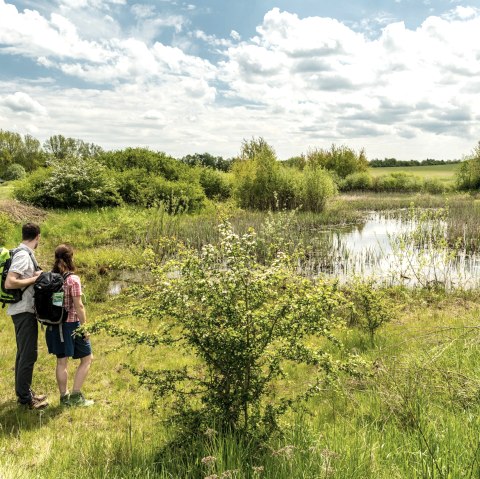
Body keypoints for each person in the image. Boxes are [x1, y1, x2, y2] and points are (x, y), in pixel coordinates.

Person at [45, 244, 94, 407]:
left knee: (61, 362)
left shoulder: (51, 277)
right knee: (87, 358)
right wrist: (85, 327)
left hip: (56, 325)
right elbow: (79, 306)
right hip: (72, 325)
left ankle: (64, 397)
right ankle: (76, 396)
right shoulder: (73, 279)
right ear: (70, 258)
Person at [5, 222, 47, 409]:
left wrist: (33, 275)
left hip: (21, 309)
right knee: (29, 355)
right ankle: (25, 399)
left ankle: (24, 393)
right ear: (37, 236)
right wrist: (36, 278)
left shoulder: (22, 253)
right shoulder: (23, 255)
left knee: (23, 354)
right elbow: (10, 282)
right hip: (23, 310)